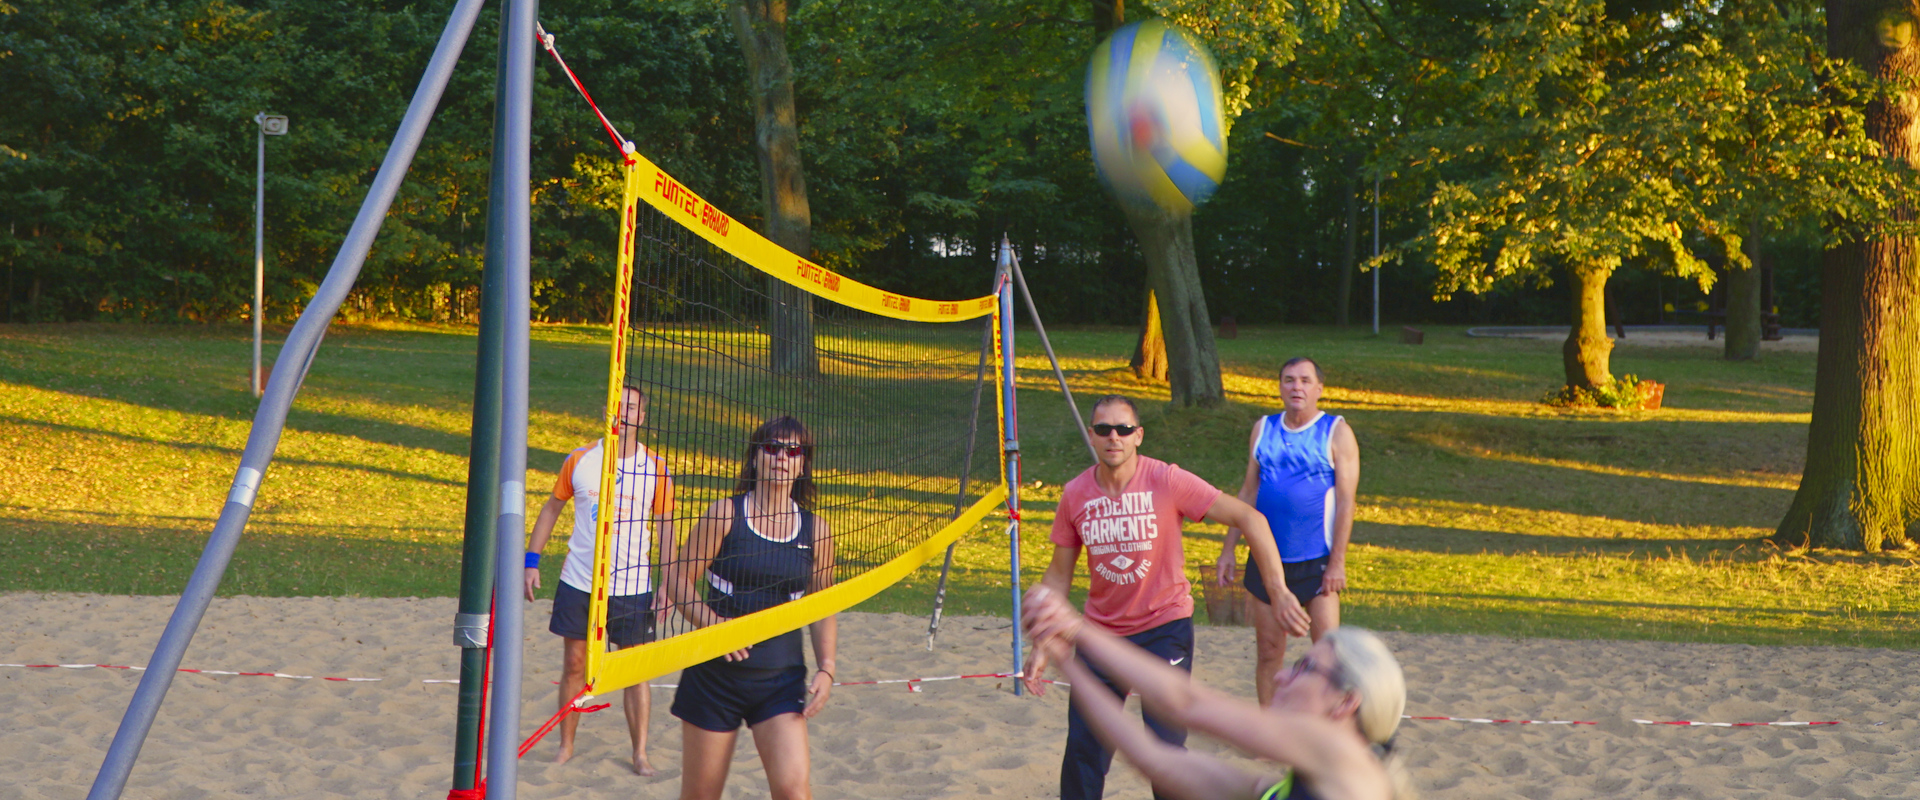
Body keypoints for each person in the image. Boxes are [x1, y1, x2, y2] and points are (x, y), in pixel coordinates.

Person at [1026, 394, 1307, 800]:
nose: (1114, 437)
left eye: (1124, 429)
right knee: (1084, 750)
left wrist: (1279, 591)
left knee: (1165, 752)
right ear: (1091, 436)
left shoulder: (1166, 480)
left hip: (1164, 629)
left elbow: (1251, 518)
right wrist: (1042, 642)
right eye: (1103, 429)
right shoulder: (1075, 494)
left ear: (1138, 436)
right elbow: (1057, 574)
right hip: (1100, 634)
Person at [1024, 585, 1409, 800]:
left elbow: (1186, 703)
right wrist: (1067, 659)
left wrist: (1078, 629)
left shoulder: (1346, 759)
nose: (1281, 678)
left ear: (1346, 701)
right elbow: (1153, 759)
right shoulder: (1282, 790)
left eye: (1305, 668)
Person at [665, 415, 837, 800]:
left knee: (794, 792)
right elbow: (676, 580)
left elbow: (822, 605)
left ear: (803, 463)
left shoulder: (817, 530)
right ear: (756, 457)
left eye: (792, 450)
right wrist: (716, 626)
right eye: (771, 447)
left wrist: (827, 666)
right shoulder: (725, 514)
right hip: (715, 679)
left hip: (780, 680)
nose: (781, 456)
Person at [522, 384, 676, 773]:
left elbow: (668, 529)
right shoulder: (581, 460)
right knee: (575, 665)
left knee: (633, 670)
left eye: (632, 408)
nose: (623, 414)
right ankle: (566, 747)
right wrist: (531, 560)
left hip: (633, 586)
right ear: (607, 412)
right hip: (580, 581)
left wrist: (670, 583)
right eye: (617, 406)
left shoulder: (656, 469)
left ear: (642, 417)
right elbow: (551, 509)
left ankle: (639, 754)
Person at [1218, 357, 1359, 706]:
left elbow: (1346, 502)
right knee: (1269, 651)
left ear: (1319, 389)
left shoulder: (1336, 431)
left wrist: (1338, 563)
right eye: (1289, 380)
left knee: (1328, 654)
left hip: (1317, 562)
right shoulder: (1263, 429)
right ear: (1280, 387)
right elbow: (1247, 493)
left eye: (1305, 381)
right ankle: (1270, 731)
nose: (1297, 387)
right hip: (1267, 562)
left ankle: (1327, 728)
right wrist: (1228, 549)